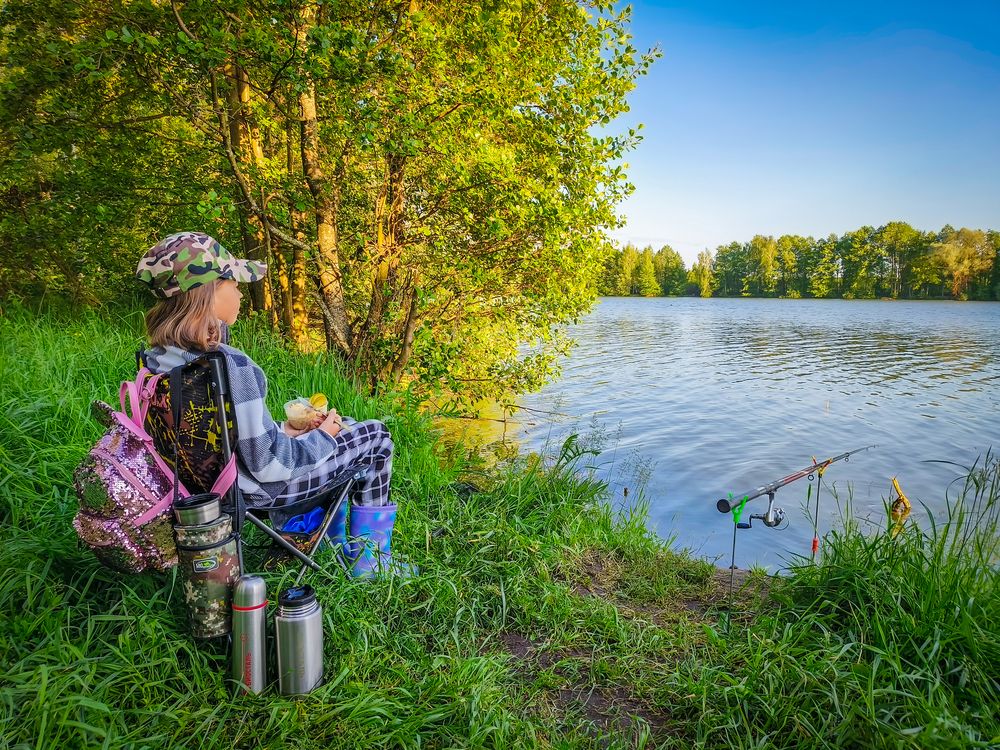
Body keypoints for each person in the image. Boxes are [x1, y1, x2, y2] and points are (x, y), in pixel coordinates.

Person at [135, 231, 406, 579]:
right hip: (257, 491)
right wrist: (321, 436)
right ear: (209, 293)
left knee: (340, 428)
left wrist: (289, 431)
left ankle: (323, 535)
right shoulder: (230, 366)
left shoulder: (158, 361)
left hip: (203, 488)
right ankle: (370, 563)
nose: (239, 291)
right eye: (233, 282)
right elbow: (269, 467)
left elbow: (222, 437)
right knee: (374, 436)